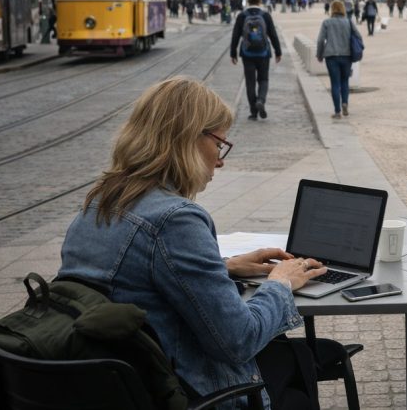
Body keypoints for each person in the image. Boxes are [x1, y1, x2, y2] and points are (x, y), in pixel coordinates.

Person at [57, 78, 330, 410]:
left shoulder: (98, 202)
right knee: (305, 360)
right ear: (189, 139)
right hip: (179, 390)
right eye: (220, 144)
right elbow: (238, 340)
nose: (220, 160)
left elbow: (135, 281)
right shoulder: (176, 219)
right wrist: (280, 282)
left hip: (115, 384)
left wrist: (225, 267)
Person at [230, 0, 281, 121]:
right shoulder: (265, 15)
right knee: (263, 79)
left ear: (248, 1)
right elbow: (273, 35)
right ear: (260, 1)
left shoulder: (242, 16)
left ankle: (253, 112)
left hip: (247, 54)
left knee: (250, 82)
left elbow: (235, 35)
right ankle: (261, 101)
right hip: (264, 53)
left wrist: (233, 52)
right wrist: (278, 51)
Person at [316, 0, 361, 119]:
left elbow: (320, 40)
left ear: (332, 9)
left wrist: (319, 55)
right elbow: (359, 36)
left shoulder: (326, 22)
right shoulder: (348, 22)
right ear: (342, 9)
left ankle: (337, 111)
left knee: (335, 83)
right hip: (346, 56)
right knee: (345, 81)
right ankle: (345, 103)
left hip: (331, 56)